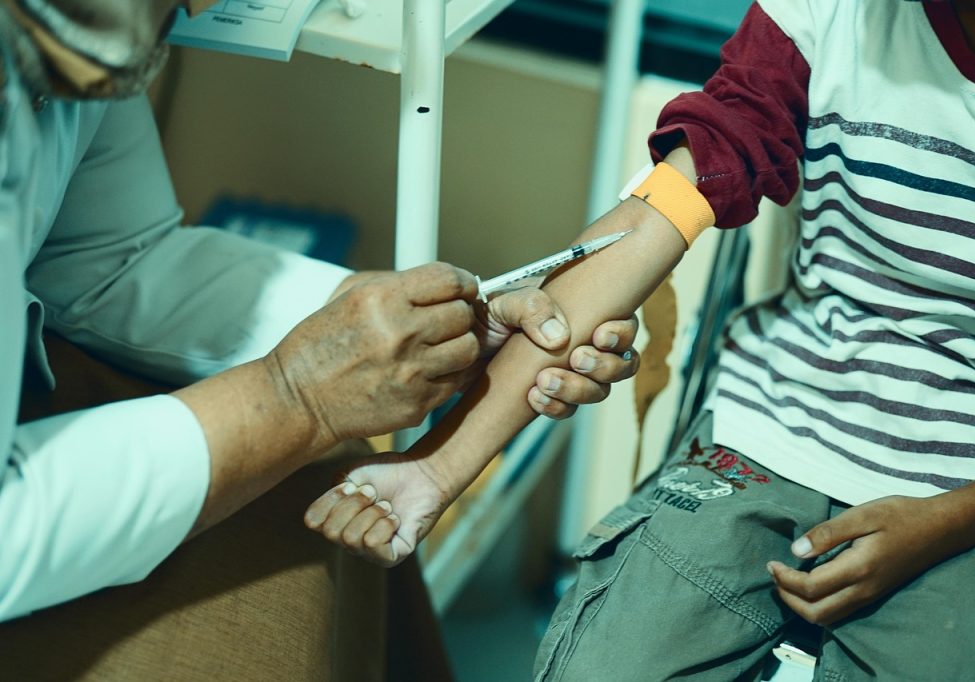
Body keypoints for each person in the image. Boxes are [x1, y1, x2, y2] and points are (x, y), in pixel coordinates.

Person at [311, 0, 975, 679]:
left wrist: (951, 523)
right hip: (782, 414)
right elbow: (651, 224)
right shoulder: (825, 14)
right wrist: (436, 468)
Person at [0, 0, 642, 675]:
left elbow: (111, 259)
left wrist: (391, 321)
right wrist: (294, 397)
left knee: (324, 491)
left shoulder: (87, 33)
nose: (207, 6)